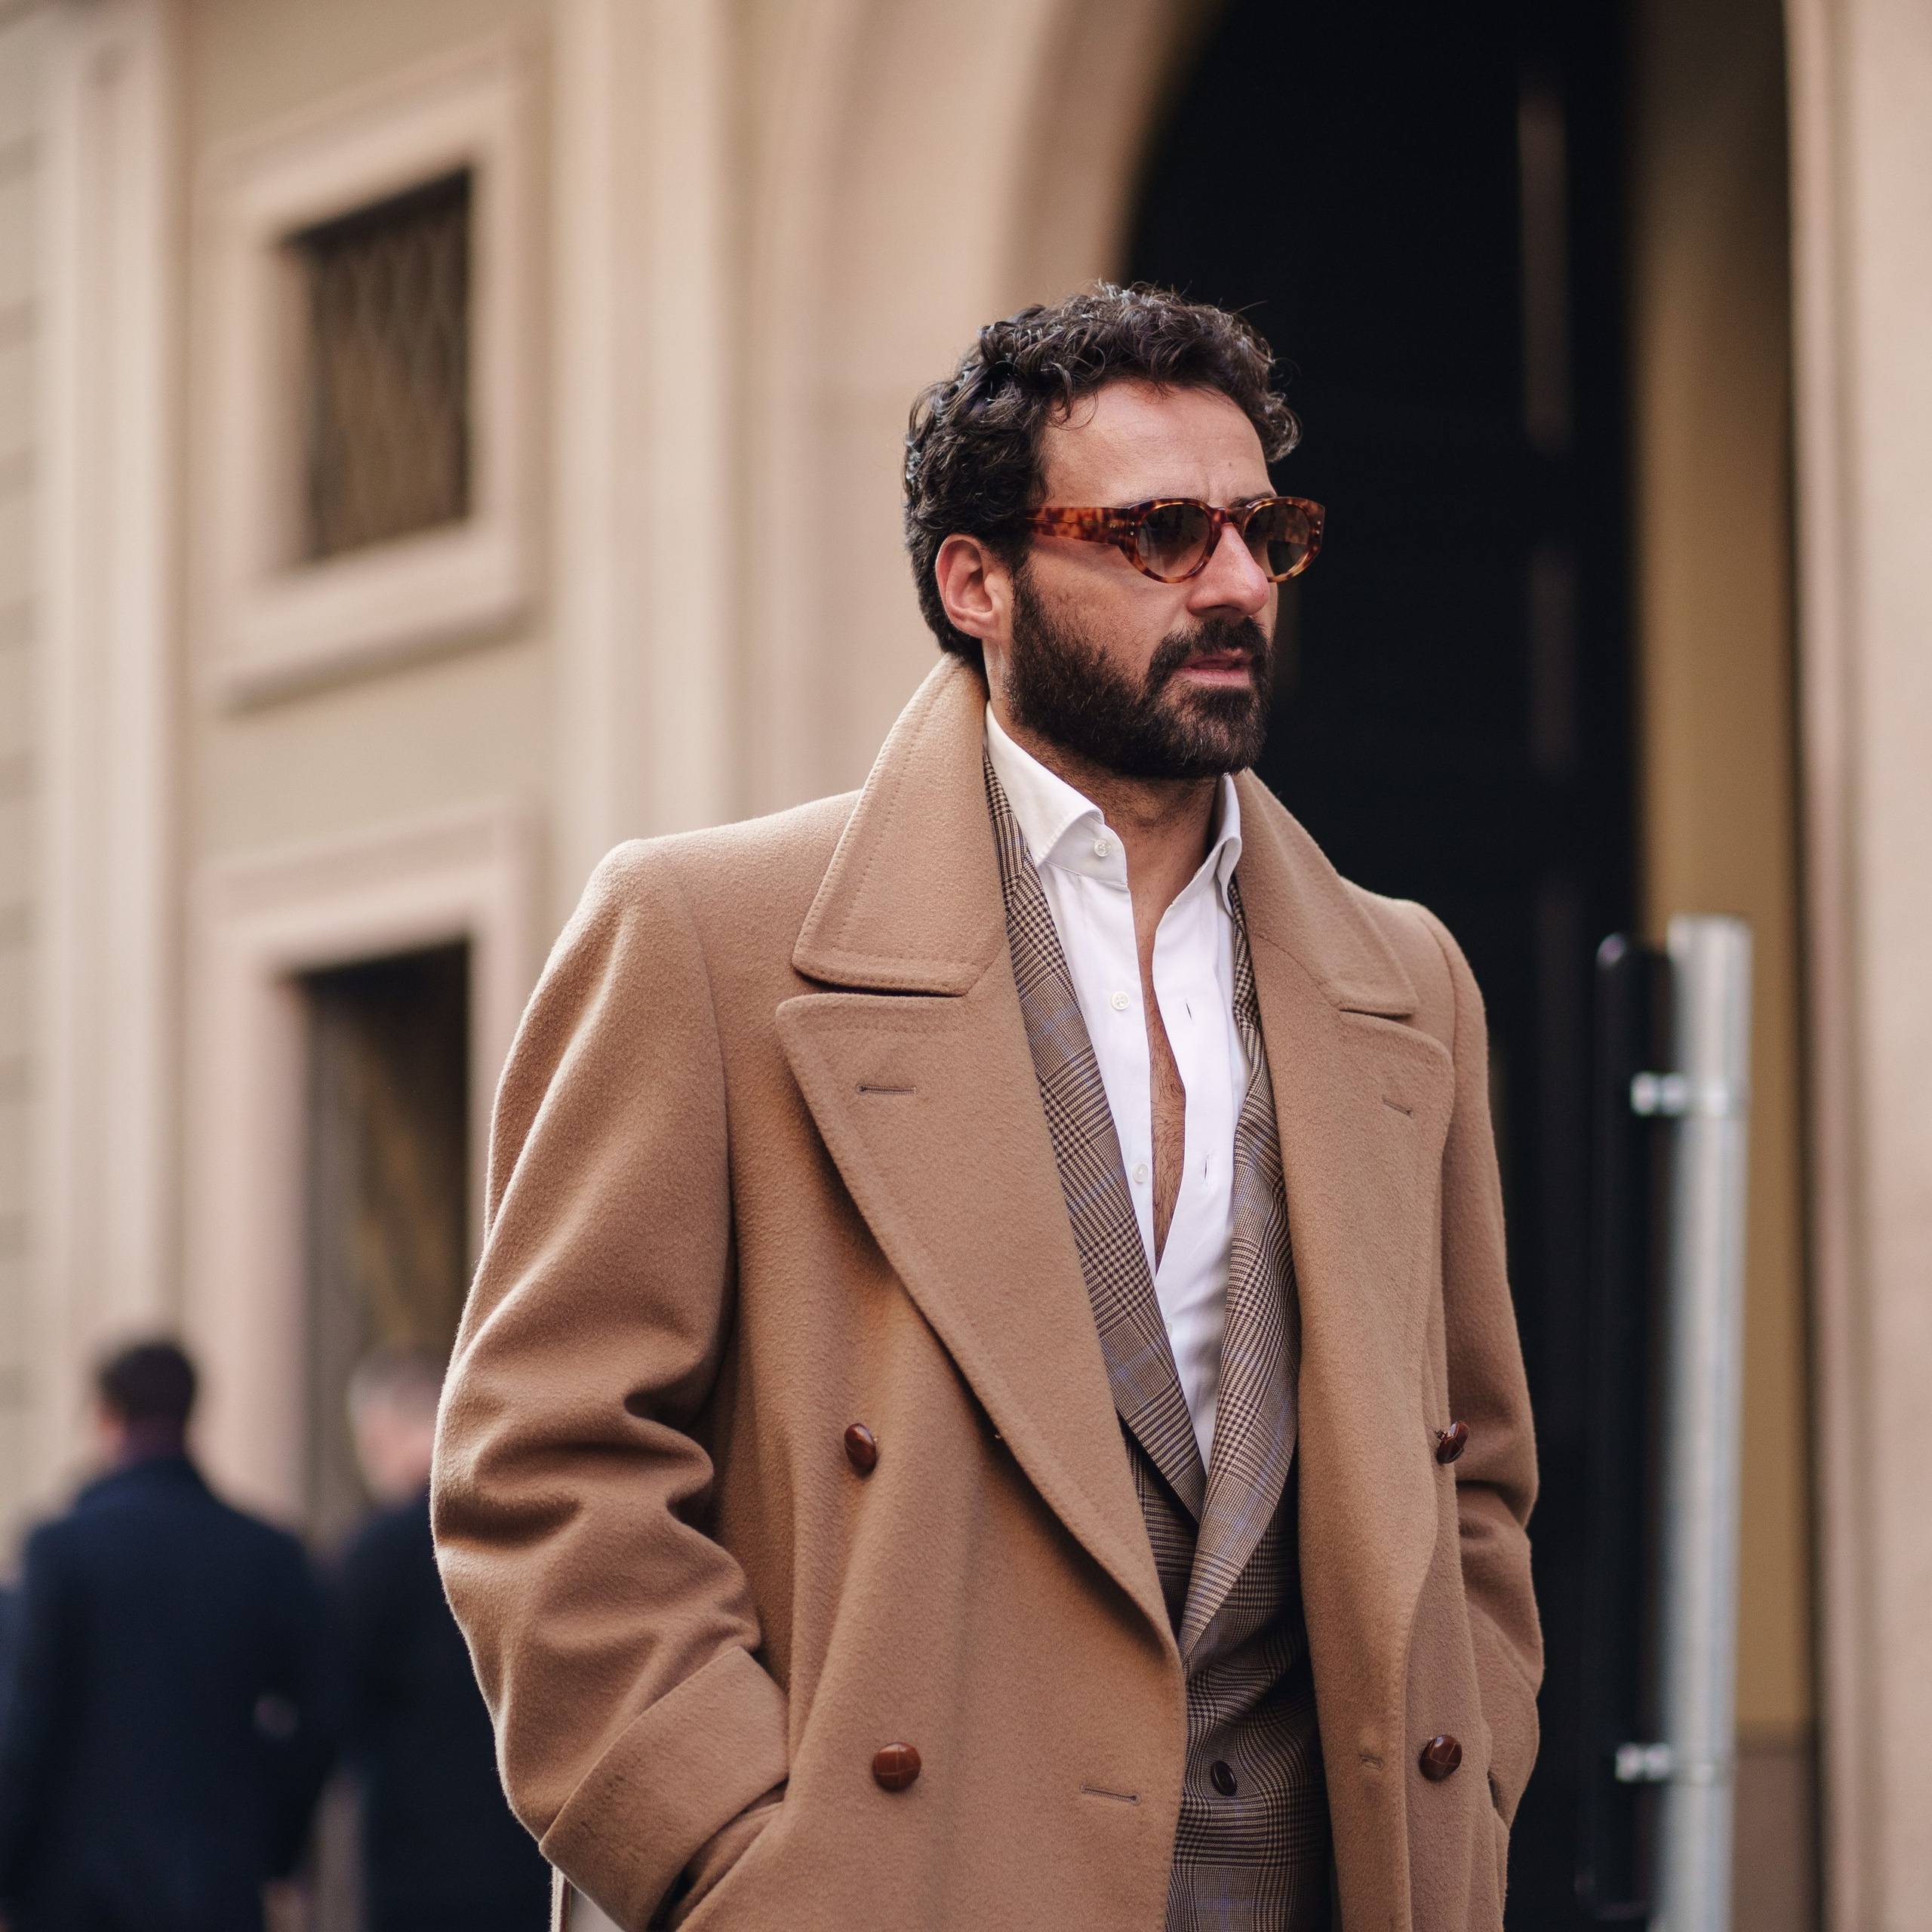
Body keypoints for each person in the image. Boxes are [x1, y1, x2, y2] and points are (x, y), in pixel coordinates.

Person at [433, 284, 1540, 1930]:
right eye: (1160, 532)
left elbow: (1474, 1473)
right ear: (977, 580)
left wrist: (1472, 1772)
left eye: (1259, 528)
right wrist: (745, 1856)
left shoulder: (1406, 979)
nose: (1236, 582)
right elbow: (546, 1466)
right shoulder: (708, 938)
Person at [0, 1340, 331, 1932]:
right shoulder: (266, 1553)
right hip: (216, 1885)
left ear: (106, 1416)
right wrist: (270, 1839)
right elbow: (324, 1715)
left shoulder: (60, 1550)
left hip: (74, 1892)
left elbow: (26, 1721)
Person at [336, 1347, 549, 1931]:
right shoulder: (530, 1536)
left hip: (416, 1861)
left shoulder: (376, 1553)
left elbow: (335, 1705)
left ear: (383, 1434)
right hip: (527, 1856)